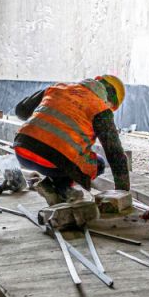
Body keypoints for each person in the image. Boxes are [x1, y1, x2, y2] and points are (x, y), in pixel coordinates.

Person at [13, 75, 130, 205]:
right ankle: (61, 188)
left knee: (65, 155)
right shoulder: (100, 109)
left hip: (22, 150)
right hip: (56, 163)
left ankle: (50, 186)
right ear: (109, 100)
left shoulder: (58, 88)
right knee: (99, 164)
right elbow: (115, 154)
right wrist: (123, 193)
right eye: (111, 107)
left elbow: (21, 111)